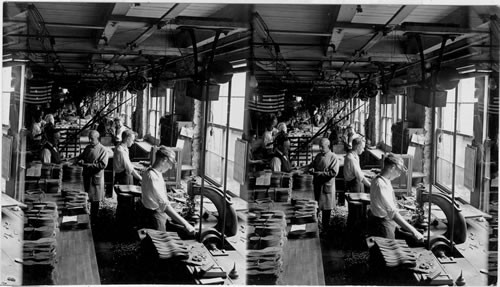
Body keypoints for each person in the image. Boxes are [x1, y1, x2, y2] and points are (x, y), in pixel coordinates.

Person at [367, 153, 424, 241]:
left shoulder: (381, 179)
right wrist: (414, 231)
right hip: (383, 225)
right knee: (386, 251)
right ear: (392, 167)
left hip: (384, 221)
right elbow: (393, 214)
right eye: (399, 171)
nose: (399, 174)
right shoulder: (381, 185)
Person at [141, 146, 196, 234]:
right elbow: (165, 206)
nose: (170, 167)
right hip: (155, 217)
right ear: (164, 160)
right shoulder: (153, 177)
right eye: (170, 163)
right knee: (158, 243)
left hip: (154, 212)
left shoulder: (151, 172)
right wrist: (186, 224)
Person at [76, 130, 109, 223]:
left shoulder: (103, 150)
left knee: (95, 201)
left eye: (92, 139)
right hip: (86, 177)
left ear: (98, 138)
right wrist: (80, 160)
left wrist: (88, 165)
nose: (90, 140)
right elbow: (81, 156)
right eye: (89, 138)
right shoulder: (87, 147)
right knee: (85, 197)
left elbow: (102, 165)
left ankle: (94, 220)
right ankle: (85, 218)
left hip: (95, 179)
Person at [308, 138, 340, 232]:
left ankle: (325, 230)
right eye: (319, 146)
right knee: (315, 208)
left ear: (328, 146)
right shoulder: (318, 156)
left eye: (322, 147)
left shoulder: (333, 157)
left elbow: (334, 172)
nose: (320, 149)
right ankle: (315, 228)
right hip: (317, 186)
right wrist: (312, 169)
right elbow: (312, 165)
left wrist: (321, 174)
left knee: (326, 211)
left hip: (327, 188)